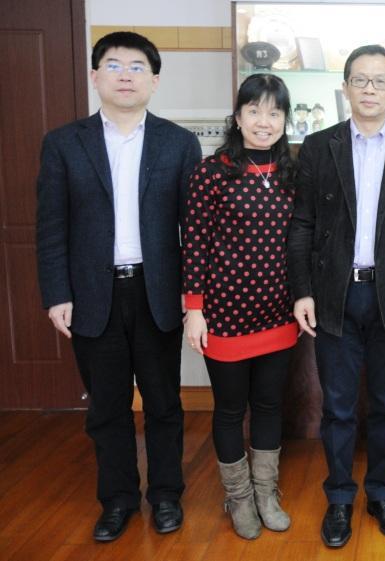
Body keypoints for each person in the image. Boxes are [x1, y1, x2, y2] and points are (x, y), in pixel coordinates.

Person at [35, 31, 201, 542]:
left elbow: (194, 230)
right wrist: (57, 293)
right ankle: (118, 500)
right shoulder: (64, 143)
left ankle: (166, 494)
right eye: (113, 65)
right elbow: (51, 226)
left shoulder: (178, 143)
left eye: (136, 67)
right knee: (106, 407)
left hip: (157, 292)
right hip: (92, 294)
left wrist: (193, 296)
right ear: (95, 76)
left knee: (163, 402)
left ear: (154, 81)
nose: (124, 75)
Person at [288, 44, 385, 549]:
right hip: (334, 295)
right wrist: (302, 291)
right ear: (345, 87)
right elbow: (302, 224)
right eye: (361, 80)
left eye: (380, 81)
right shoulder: (318, 146)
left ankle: (383, 494)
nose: (370, 89)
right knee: (339, 406)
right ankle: (340, 498)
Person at [182, 73, 298, 540]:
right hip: (225, 317)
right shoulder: (213, 172)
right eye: (254, 111)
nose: (264, 121)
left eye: (274, 112)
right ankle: (239, 497)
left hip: (279, 314)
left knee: (269, 406)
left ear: (285, 120)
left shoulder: (292, 172)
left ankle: (266, 493)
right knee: (231, 410)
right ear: (238, 117)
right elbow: (194, 244)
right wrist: (194, 310)